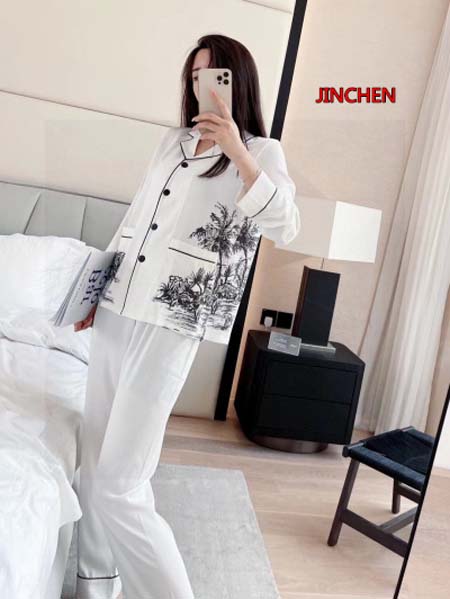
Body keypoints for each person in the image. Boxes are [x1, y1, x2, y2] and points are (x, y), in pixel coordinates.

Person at [74, 33, 301, 599]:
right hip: (118, 308)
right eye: (196, 76)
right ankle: (96, 584)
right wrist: (92, 294)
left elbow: (285, 225)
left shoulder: (262, 152)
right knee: (92, 463)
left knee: (122, 483)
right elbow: (134, 221)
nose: (204, 87)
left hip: (173, 321)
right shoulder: (170, 143)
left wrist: (238, 152)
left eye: (215, 76)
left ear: (237, 83)